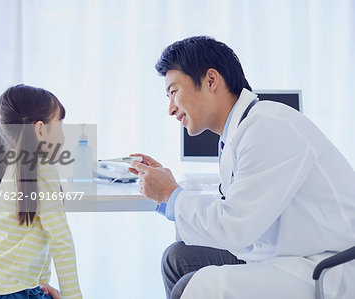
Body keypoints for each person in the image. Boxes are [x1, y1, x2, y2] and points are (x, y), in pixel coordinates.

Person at [129, 36, 355, 299]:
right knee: (177, 258)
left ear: (211, 80)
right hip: (281, 250)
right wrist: (169, 194)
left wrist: (171, 194)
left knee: (193, 286)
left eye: (174, 91)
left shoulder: (268, 126)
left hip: (322, 264)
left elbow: (235, 227)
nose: (170, 108)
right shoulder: (238, 133)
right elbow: (239, 218)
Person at [0, 84, 82, 299]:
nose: (62, 131)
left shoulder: (14, 164)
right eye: (60, 123)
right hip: (4, 293)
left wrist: (41, 283)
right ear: (40, 129)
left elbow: (39, 234)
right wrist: (73, 296)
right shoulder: (42, 167)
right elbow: (60, 239)